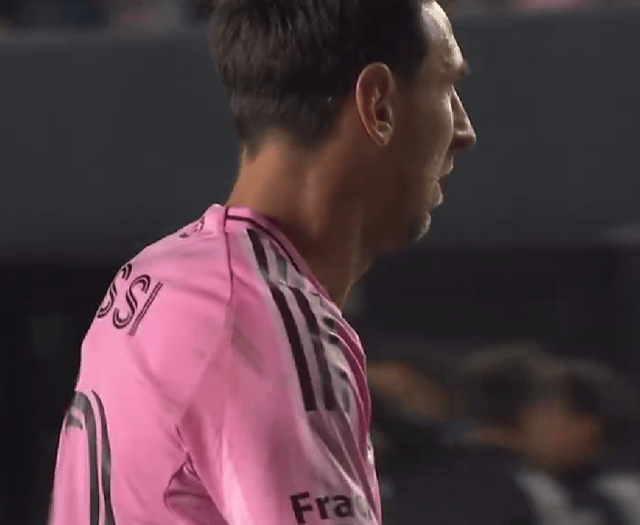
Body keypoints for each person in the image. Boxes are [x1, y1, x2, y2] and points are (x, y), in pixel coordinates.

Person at [48, 1, 476, 524]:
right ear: (379, 104)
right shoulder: (259, 317)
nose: (464, 130)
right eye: (446, 87)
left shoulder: (161, 272)